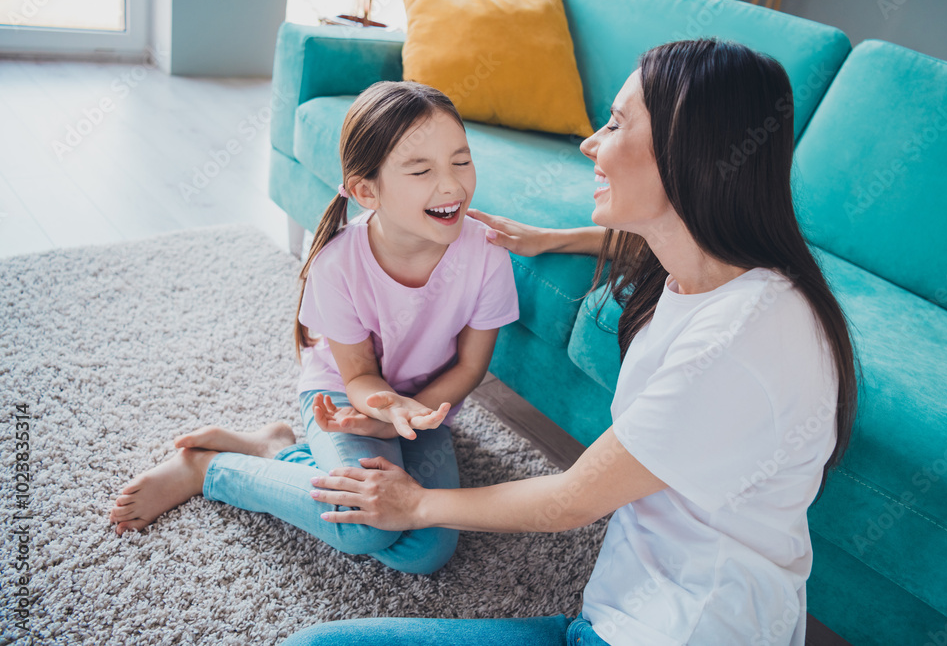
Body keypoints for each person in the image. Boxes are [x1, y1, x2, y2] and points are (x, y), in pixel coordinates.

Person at [282, 39, 859, 645]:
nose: (590, 143)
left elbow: (573, 499)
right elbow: (654, 241)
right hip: (626, 617)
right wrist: (552, 239)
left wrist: (417, 504)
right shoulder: (723, 277)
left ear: (687, 154)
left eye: (615, 123)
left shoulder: (733, 348)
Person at [107, 81, 520, 576]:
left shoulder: (487, 252)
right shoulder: (336, 263)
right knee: (366, 525)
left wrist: (403, 417)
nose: (452, 185)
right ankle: (208, 470)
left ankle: (277, 450)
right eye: (421, 169)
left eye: (461, 160)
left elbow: (472, 366)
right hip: (345, 400)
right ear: (368, 191)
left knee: (427, 549)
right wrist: (382, 412)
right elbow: (359, 376)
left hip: (426, 407)